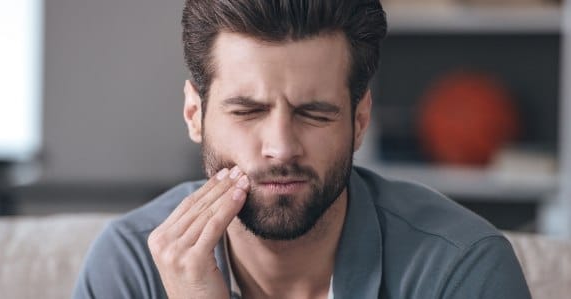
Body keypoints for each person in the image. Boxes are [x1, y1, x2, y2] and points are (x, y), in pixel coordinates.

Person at [72, 0, 531, 298]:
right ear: (195, 115)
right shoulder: (130, 267)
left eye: (314, 113)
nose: (281, 148)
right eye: (247, 111)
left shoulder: (460, 268)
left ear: (359, 120)